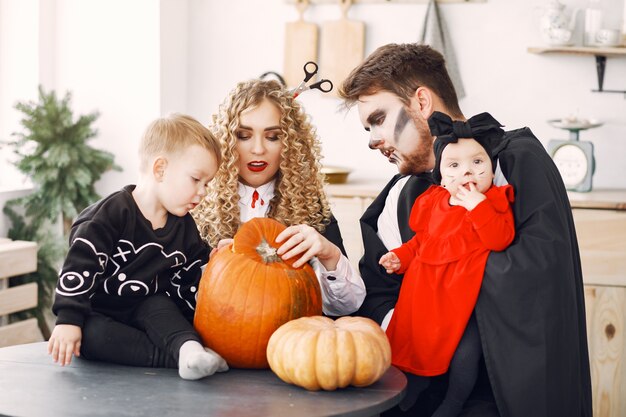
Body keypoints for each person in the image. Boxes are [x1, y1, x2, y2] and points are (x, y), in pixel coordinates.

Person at [339, 43, 592, 417]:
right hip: (421, 396)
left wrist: (434, 278)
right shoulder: (400, 196)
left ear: (422, 102)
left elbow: (542, 276)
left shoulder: (516, 162)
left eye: (378, 119)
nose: (373, 139)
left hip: (504, 397)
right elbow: (376, 294)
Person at [48, 113, 229, 380]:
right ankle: (176, 359)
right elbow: (81, 265)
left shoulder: (183, 225)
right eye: (196, 179)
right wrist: (68, 318)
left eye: (207, 184)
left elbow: (193, 268)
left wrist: (217, 261)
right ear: (160, 169)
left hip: (147, 310)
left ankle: (189, 350)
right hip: (101, 311)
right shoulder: (110, 214)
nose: (203, 192)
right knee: (90, 336)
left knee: (159, 307)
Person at [379, 113, 515, 417]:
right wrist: (399, 257)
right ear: (441, 177)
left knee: (466, 354)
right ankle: (405, 392)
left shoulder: (493, 202)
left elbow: (500, 239)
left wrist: (478, 207)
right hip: (422, 298)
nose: (467, 171)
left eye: (477, 162)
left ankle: (453, 403)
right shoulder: (434, 202)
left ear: (491, 168)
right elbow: (421, 243)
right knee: (408, 347)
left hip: (460, 302)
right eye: (454, 166)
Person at [193, 79, 365, 317]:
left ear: (291, 145)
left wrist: (330, 255)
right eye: (244, 135)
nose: (258, 149)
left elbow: (346, 307)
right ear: (227, 142)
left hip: (292, 345)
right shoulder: (195, 206)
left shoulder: (313, 210)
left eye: (272, 137)